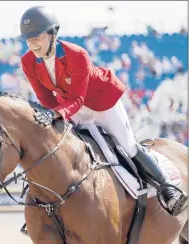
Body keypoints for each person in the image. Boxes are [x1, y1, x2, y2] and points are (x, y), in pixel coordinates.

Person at [20, 6, 187, 216]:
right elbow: (45, 97)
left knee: (127, 145)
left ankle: (167, 189)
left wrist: (57, 114)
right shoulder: (28, 62)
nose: (32, 43)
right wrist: (52, 114)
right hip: (71, 107)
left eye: (37, 37)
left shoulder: (77, 54)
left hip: (102, 103)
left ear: (53, 34)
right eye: (28, 39)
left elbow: (78, 98)